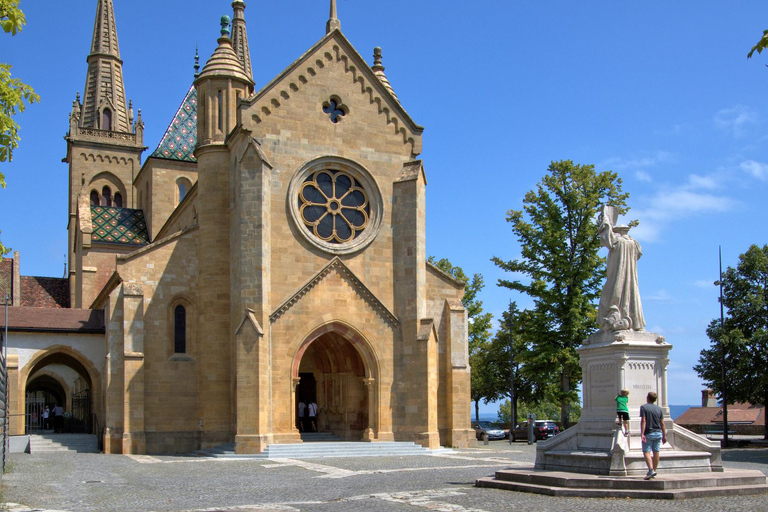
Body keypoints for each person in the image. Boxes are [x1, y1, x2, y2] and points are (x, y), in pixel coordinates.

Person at [597, 205, 645, 331]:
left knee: (611, 295)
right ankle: (631, 320)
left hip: (617, 274)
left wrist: (605, 220)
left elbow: (606, 236)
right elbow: (639, 254)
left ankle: (615, 317)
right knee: (630, 295)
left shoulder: (617, 241)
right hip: (631, 277)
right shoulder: (634, 244)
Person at [640, 391, 666, 480]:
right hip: (658, 433)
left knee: (646, 451)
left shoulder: (644, 407)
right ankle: (654, 470)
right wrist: (664, 435)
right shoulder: (659, 409)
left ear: (647, 398)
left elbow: (644, 420)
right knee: (656, 451)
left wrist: (642, 433)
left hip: (649, 432)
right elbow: (662, 423)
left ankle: (651, 470)